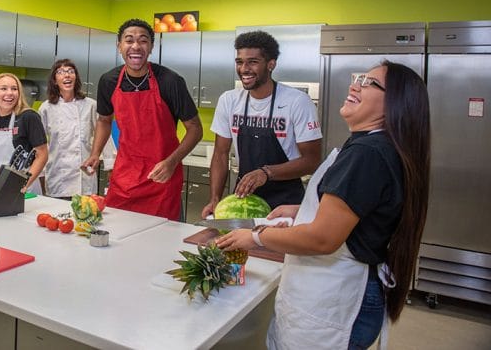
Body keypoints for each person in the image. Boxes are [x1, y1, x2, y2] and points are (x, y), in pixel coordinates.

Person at [216, 61, 431, 350]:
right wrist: (300, 210)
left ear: (395, 104)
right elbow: (357, 212)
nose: (355, 85)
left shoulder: (367, 153)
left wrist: (254, 237)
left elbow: (322, 238)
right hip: (341, 290)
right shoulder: (371, 145)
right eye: (359, 79)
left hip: (339, 297)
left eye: (369, 83)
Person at [81, 18, 202, 221]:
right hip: (125, 176)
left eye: (143, 40)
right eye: (129, 40)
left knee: (161, 241)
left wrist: (172, 162)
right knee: (117, 231)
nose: (135, 46)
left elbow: (195, 129)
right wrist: (95, 153)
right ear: (119, 46)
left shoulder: (170, 81)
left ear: (151, 46)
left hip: (161, 176)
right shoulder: (109, 81)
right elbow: (104, 120)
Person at [202, 31, 322, 215]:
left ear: (271, 64)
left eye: (253, 62)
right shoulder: (229, 100)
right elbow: (220, 153)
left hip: (286, 203)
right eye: (240, 62)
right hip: (243, 200)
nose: (244, 69)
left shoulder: (297, 102)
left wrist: (266, 173)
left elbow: (312, 161)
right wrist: (215, 199)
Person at [38, 59, 112, 199]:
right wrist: (40, 174)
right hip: (57, 175)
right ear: (55, 80)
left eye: (71, 71)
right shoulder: (46, 108)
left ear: (76, 78)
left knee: (85, 217)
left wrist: (110, 166)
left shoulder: (90, 105)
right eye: (61, 72)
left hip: (84, 176)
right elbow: (40, 145)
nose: (67, 75)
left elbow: (104, 135)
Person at [0, 73, 48, 194]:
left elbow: (42, 155)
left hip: (22, 190)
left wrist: (23, 185)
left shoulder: (29, 117)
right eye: (3, 88)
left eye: (14, 89)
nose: (10, 93)